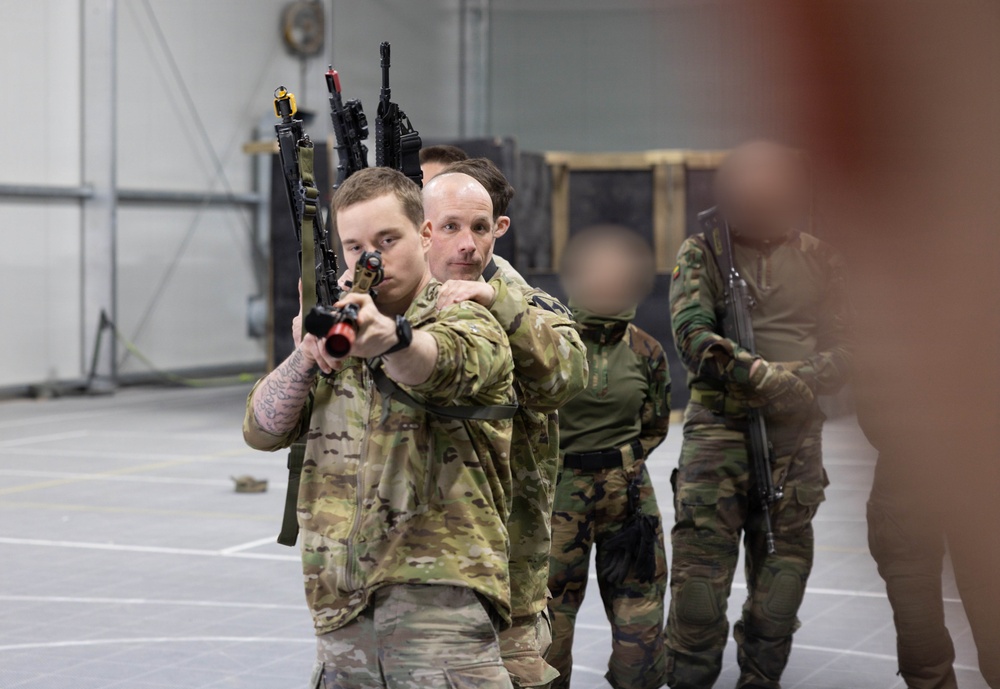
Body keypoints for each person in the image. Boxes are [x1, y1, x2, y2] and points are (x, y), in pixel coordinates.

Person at [243, 167, 518, 689]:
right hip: (340, 604)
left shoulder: (463, 315)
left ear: (424, 235)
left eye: (387, 240)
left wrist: (389, 338)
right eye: (355, 246)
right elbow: (261, 429)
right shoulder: (338, 330)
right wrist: (306, 357)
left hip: (440, 606)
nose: (371, 257)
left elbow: (439, 364)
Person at [665, 140, 853, 689]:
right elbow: (695, 339)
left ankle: (760, 680)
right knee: (699, 594)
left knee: (781, 586)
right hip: (717, 439)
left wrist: (795, 383)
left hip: (795, 443)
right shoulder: (702, 251)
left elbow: (848, 350)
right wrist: (775, 379)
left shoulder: (822, 259)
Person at [422, 160, 589, 688]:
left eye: (476, 223)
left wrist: (497, 304)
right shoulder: (391, 309)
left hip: (504, 569)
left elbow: (567, 375)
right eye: (448, 223)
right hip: (414, 570)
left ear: (498, 227)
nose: (464, 241)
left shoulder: (528, 304)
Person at [546, 226, 672, 689]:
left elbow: (655, 423)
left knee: (640, 620)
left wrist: (623, 463)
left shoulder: (647, 351)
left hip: (629, 496)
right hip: (559, 496)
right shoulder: (549, 343)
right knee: (547, 625)